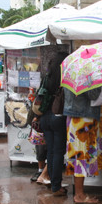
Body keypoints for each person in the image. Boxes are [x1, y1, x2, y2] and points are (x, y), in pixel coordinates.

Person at [63, 86, 102, 204]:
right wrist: (98, 86)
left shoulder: (72, 73)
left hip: (74, 117)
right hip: (83, 118)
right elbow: (93, 95)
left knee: (78, 156)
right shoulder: (86, 76)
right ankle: (79, 194)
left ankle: (79, 192)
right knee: (80, 156)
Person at [39, 52, 69, 196]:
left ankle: (52, 182)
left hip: (45, 117)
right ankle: (56, 186)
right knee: (58, 152)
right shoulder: (64, 78)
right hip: (58, 116)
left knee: (50, 151)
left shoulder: (47, 77)